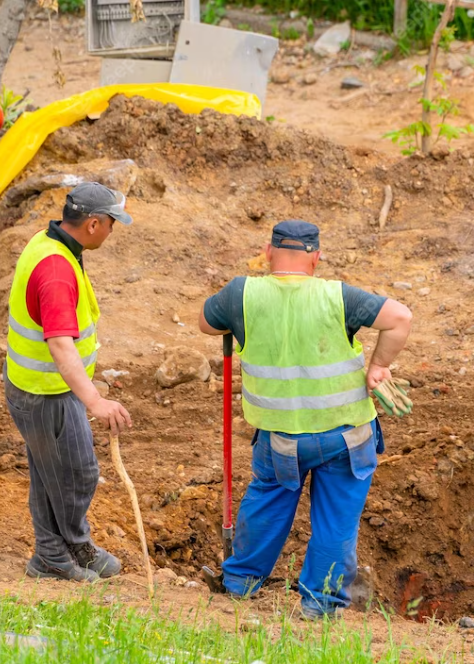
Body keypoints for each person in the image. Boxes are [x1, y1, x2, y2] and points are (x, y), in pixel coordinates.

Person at [198, 220, 412, 619]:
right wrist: (378, 368)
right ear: (316, 258)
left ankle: (240, 584)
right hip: (346, 436)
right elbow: (400, 317)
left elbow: (207, 322)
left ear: (268, 252)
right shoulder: (337, 296)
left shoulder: (241, 293)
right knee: (335, 523)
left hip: (282, 441)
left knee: (267, 505)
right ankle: (319, 607)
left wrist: (236, 316)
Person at [4, 182, 133, 582]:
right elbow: (60, 344)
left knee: (50, 471)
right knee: (77, 474)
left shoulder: (51, 242)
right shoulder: (57, 268)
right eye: (112, 223)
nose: (113, 231)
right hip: (44, 394)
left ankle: (57, 553)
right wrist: (95, 402)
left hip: (43, 389)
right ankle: (60, 550)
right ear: (93, 224)